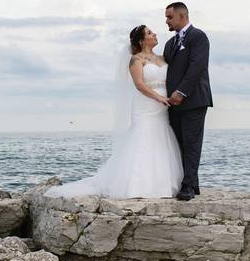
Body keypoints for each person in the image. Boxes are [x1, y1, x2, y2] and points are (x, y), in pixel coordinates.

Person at [45, 25, 183, 199]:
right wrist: (158, 98)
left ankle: (162, 184)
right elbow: (139, 84)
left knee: (161, 137)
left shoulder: (163, 58)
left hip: (163, 107)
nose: (154, 34)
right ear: (141, 41)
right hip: (146, 105)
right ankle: (138, 185)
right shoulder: (136, 60)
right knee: (144, 137)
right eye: (149, 33)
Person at [163, 2, 214, 201]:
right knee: (179, 144)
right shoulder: (170, 43)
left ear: (181, 16)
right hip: (173, 104)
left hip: (194, 100)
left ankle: (188, 187)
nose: (167, 21)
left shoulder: (198, 36)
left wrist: (181, 91)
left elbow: (197, 67)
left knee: (192, 144)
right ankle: (194, 183)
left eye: (169, 17)